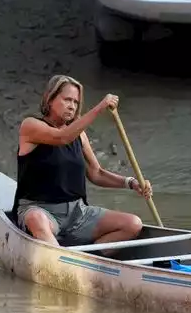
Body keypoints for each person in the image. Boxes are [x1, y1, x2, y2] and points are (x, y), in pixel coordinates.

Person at [13, 74, 152, 248]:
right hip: (40, 210)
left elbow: (97, 173)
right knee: (36, 219)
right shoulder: (30, 126)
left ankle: (91, 261)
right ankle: (59, 263)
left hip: (78, 214)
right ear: (49, 99)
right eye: (67, 100)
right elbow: (62, 137)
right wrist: (99, 108)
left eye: (76, 102)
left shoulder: (80, 135)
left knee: (133, 224)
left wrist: (131, 183)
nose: (72, 106)